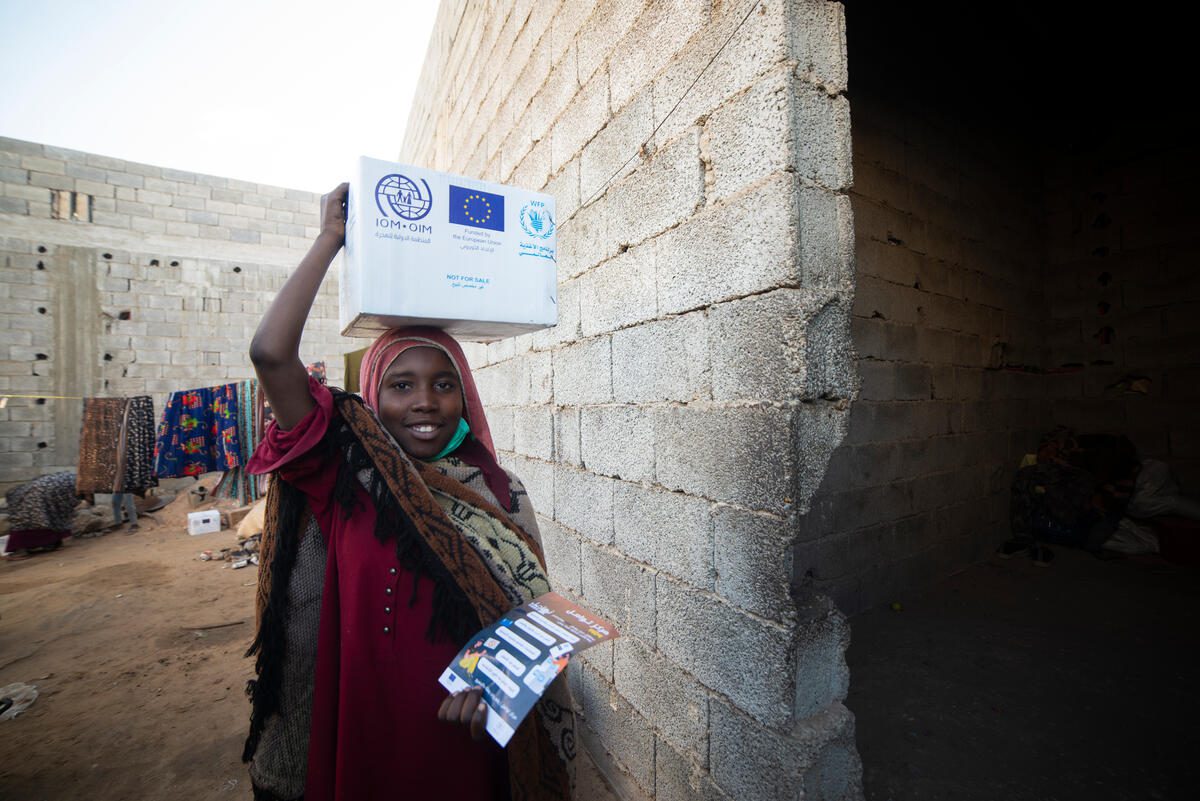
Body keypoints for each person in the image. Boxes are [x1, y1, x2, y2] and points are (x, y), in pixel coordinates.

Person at [242, 183, 572, 801]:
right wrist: (330, 239)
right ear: (371, 397)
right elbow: (270, 353)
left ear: (465, 397)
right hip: (362, 741)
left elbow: (538, 613)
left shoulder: (500, 490)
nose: (425, 402)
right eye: (401, 385)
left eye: (444, 383)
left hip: (462, 748)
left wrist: (503, 677)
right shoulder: (343, 479)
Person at [3, 472, 79, 560]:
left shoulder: (74, 480)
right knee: (34, 519)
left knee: (46, 516)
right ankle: (22, 549)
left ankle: (50, 543)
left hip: (45, 491)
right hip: (39, 494)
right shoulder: (74, 481)